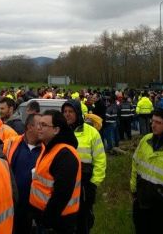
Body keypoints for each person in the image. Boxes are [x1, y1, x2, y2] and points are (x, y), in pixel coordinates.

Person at [30, 109, 81, 233]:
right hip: (43, 219)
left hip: (57, 224)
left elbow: (62, 194)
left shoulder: (65, 154)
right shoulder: (48, 147)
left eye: (44, 125)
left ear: (56, 130)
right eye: (38, 124)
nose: (39, 128)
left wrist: (47, 221)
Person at [62, 100, 107, 234]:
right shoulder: (58, 131)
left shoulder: (92, 133)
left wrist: (94, 184)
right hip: (64, 184)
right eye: (65, 112)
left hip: (85, 186)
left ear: (78, 113)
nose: (67, 115)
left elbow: (100, 160)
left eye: (71, 112)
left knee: (83, 221)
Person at [3, 113, 43, 234]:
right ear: (30, 127)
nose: (43, 128)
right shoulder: (10, 143)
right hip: (12, 204)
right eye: (40, 125)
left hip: (35, 207)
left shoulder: (47, 148)